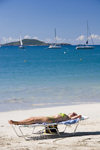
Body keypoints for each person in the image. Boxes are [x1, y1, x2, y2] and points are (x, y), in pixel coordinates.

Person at [8, 112, 81, 125]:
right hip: (49, 118)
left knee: (33, 119)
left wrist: (76, 116)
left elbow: (79, 116)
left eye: (74, 114)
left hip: (50, 120)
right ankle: (18, 122)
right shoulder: (66, 116)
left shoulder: (67, 118)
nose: (73, 113)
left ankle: (17, 122)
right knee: (32, 118)